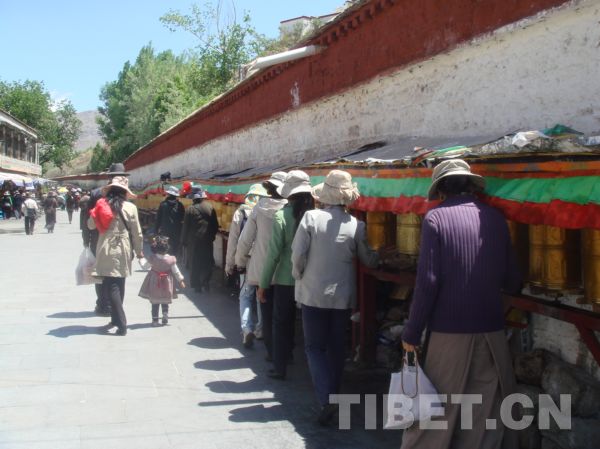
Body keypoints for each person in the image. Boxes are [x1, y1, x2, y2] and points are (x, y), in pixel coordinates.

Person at [399, 159, 521, 449]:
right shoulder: (495, 218)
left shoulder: (436, 219)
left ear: (440, 190)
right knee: (483, 414)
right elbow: (513, 279)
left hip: (448, 333)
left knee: (436, 412)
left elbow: (428, 281)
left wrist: (412, 333)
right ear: (470, 186)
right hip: (491, 329)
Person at [291, 169, 380, 425]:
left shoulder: (310, 218)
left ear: (325, 195)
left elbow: (297, 255)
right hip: (342, 298)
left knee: (314, 347)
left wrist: (299, 275)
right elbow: (367, 259)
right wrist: (381, 257)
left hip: (312, 294)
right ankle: (334, 397)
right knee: (336, 348)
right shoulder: (357, 225)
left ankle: (326, 398)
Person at [258, 170, 314, 379]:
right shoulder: (316, 215)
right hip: (311, 279)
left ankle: (281, 365)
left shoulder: (282, 216)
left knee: (282, 323)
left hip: (284, 279)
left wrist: (263, 284)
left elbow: (273, 255)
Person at [236, 171, 287, 358]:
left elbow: (245, 240)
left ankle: (272, 352)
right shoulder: (291, 209)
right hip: (285, 272)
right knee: (284, 313)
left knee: (266, 312)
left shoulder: (259, 208)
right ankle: (285, 353)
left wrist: (239, 262)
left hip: (262, 270)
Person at [88, 176, 144, 336]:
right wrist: (139, 251)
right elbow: (137, 233)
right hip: (124, 246)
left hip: (106, 246)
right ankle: (116, 318)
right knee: (120, 282)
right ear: (125, 192)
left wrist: (95, 213)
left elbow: (90, 225)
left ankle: (120, 322)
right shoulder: (131, 207)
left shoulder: (102, 205)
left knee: (110, 284)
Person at [225, 183, 268, 348]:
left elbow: (234, 241)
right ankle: (261, 329)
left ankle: (246, 328)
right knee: (261, 294)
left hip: (246, 259)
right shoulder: (267, 211)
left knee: (245, 295)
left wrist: (231, 264)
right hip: (264, 259)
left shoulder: (241, 212)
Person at [138, 235, 185, 327]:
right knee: (165, 300)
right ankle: (165, 315)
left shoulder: (153, 258)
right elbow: (176, 271)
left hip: (154, 282)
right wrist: (181, 280)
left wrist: (141, 258)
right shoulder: (171, 259)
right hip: (167, 282)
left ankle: (155, 321)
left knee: (155, 302)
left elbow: (145, 266)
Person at [181, 188, 219, 293]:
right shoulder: (210, 208)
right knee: (207, 261)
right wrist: (211, 237)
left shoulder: (190, 209)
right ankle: (206, 281)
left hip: (193, 242)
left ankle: (197, 285)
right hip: (207, 241)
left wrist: (183, 241)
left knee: (194, 263)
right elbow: (215, 226)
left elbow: (185, 227)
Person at [155, 185, 185, 256]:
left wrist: (156, 230)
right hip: (177, 231)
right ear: (175, 196)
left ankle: (166, 263)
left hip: (165, 231)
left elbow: (158, 218)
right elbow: (183, 218)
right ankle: (173, 262)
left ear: (168, 194)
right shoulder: (180, 205)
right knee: (175, 248)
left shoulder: (163, 204)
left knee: (165, 247)